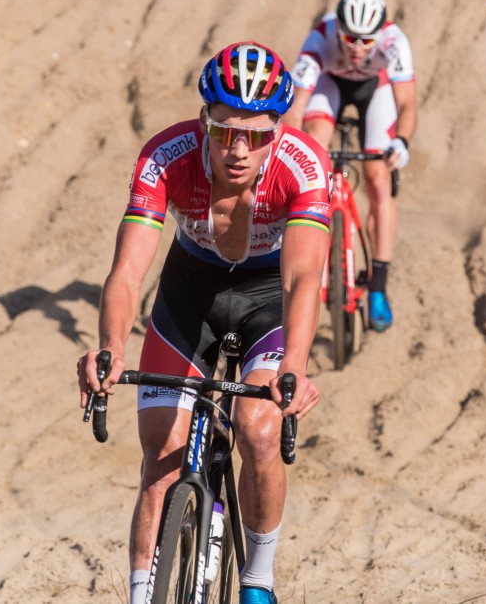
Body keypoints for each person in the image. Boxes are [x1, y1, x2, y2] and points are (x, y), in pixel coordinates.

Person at [77, 41, 331, 604]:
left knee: (259, 432)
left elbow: (302, 281)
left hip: (269, 297)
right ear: (203, 121)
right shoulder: (166, 157)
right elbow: (127, 272)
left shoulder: (305, 166)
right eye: (224, 132)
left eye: (256, 136)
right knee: (162, 453)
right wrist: (110, 345)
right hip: (190, 292)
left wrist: (293, 366)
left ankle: (258, 581)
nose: (238, 150)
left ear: (279, 133)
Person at [284, 0, 417, 332]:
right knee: (312, 150)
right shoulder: (318, 40)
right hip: (330, 85)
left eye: (366, 42)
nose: (358, 49)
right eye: (350, 39)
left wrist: (401, 141)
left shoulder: (394, 41)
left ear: (379, 35)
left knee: (377, 180)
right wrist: (292, 155)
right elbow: (295, 110)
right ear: (337, 30)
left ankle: (378, 288)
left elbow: (406, 104)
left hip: (377, 90)